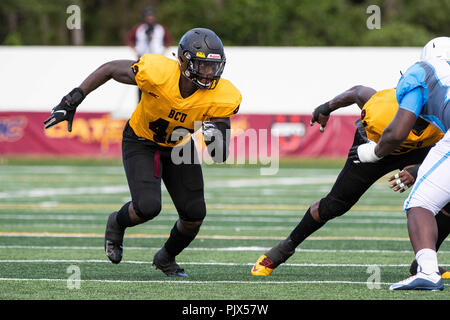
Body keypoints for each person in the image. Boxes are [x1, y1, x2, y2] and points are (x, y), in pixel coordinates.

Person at [44, 28, 242, 277]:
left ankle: (166, 257)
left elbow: (219, 155)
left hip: (179, 146)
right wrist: (73, 99)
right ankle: (116, 222)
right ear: (184, 61)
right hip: (140, 140)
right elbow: (110, 69)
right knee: (147, 207)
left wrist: (215, 138)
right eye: (202, 66)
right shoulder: (158, 72)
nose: (209, 73)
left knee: (194, 215)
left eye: (213, 67)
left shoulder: (222, 96)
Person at [251, 84, 449, 277]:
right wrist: (326, 107)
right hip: (372, 149)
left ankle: (424, 262)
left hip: (420, 150)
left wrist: (419, 169)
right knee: (335, 205)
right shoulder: (382, 108)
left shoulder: (443, 113)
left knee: (447, 194)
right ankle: (284, 248)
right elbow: (358, 92)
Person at [349, 36, 450, 290]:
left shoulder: (421, 71)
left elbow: (397, 132)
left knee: (420, 203)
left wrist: (373, 152)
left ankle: (427, 272)